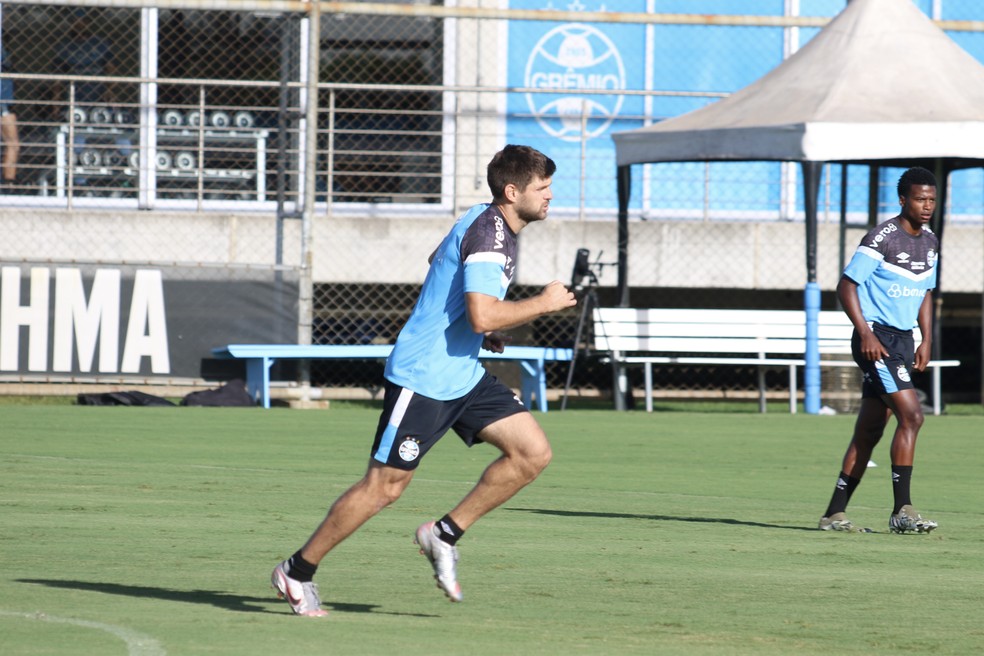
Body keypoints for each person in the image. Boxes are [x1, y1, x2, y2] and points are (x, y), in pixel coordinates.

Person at [271, 144, 577, 616]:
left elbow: (439, 259)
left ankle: (443, 535)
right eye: (543, 187)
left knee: (531, 453)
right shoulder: (491, 236)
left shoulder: (484, 218)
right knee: (384, 488)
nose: (550, 195)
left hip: (462, 374)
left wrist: (482, 328)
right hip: (423, 377)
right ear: (513, 192)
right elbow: (481, 313)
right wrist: (542, 303)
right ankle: (297, 570)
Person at [818, 166, 941, 535]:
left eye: (931, 200)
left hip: (903, 341)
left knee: (870, 430)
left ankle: (833, 514)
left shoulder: (930, 242)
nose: (926, 206)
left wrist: (926, 339)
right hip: (877, 342)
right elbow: (846, 286)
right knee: (913, 416)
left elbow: (925, 291)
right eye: (919, 199)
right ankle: (902, 510)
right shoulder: (882, 237)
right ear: (903, 200)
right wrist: (865, 333)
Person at [0, 47, 21, 191]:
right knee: (12, 143)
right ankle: (8, 185)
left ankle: (8, 185)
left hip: (5, 102)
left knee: (12, 144)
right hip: (3, 103)